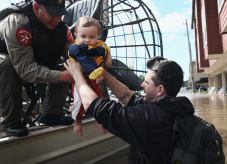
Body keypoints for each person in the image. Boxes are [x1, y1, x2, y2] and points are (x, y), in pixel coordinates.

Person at [64, 56, 195, 164]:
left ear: (159, 90)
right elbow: (127, 96)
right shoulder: (173, 108)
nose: (142, 84)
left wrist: (77, 74)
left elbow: (93, 105)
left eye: (146, 82)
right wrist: (102, 72)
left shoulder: (149, 120)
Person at [0, 0, 74, 137]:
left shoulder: (62, 28)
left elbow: (74, 55)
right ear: (36, 7)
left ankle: (52, 114)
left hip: (33, 58)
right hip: (10, 61)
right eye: (52, 14)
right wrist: (62, 76)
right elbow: (25, 69)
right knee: (7, 64)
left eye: (60, 14)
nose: (57, 19)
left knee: (67, 67)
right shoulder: (17, 22)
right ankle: (11, 121)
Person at [68, 16, 111, 136]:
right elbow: (76, 61)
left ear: (98, 37)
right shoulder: (75, 48)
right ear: (76, 34)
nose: (87, 40)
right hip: (80, 79)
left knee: (98, 98)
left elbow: (106, 52)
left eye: (92, 37)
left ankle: (99, 120)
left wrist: (108, 60)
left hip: (95, 78)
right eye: (83, 36)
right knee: (78, 102)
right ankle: (77, 121)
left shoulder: (101, 46)